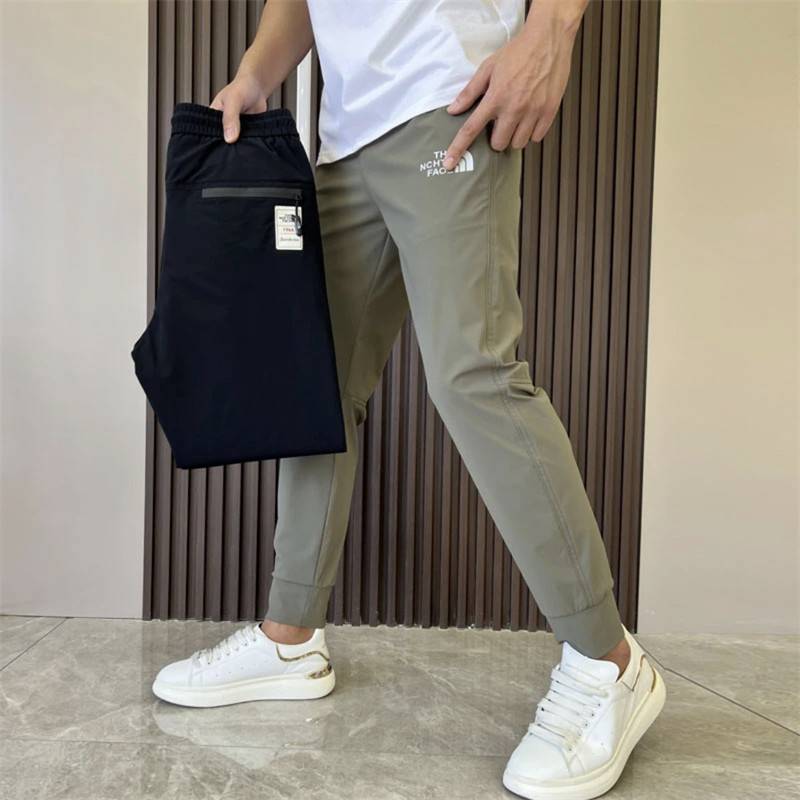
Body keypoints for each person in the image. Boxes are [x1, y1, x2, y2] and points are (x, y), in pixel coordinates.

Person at [151, 2, 666, 797]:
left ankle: (609, 661)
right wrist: (257, 72)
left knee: (474, 376)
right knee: (318, 387)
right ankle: (290, 639)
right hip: (344, 132)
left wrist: (551, 30)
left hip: (447, 97)